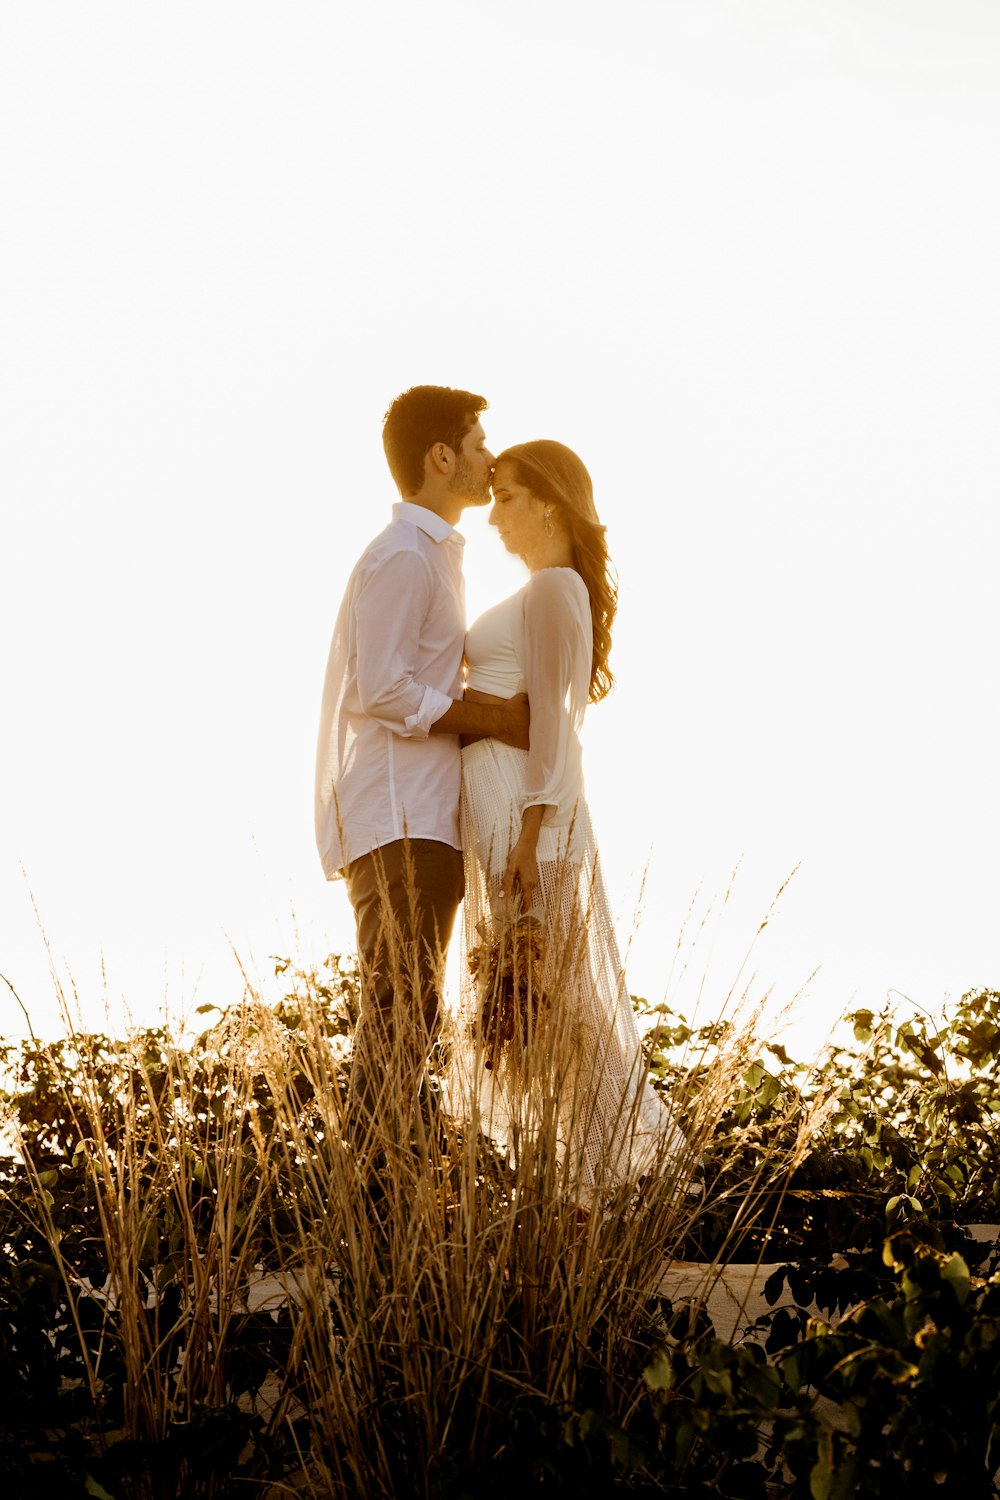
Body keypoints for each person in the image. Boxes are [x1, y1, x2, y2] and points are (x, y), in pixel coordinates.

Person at [452, 439, 684, 1199]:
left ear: (550, 501)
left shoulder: (553, 589)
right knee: (541, 1000)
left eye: (508, 495)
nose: (494, 515)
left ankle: (621, 1176)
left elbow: (558, 725)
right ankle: (589, 1179)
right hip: (511, 808)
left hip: (530, 817)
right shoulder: (542, 590)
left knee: (567, 1003)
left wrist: (528, 832)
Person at [314, 386, 529, 1129]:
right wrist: (496, 715)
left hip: (424, 814)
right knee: (400, 1016)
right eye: (477, 444)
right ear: (441, 457)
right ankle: (376, 1219)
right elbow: (383, 689)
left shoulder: (430, 554)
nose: (489, 458)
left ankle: (388, 1209)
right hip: (402, 816)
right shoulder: (405, 557)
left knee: (409, 1013)